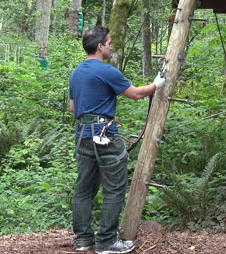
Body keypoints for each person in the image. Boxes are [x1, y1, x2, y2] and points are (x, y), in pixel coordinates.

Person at [69, 26, 165, 254]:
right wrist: (156, 84)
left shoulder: (76, 72)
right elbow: (136, 94)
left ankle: (83, 241)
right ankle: (106, 242)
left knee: (84, 189)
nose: (112, 46)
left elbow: (74, 109)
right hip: (104, 135)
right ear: (100, 46)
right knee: (113, 189)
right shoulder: (106, 71)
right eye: (110, 42)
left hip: (82, 134)